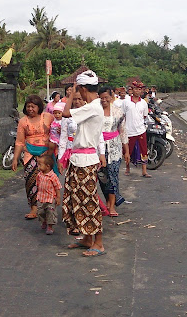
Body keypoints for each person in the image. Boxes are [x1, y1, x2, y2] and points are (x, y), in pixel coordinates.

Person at [61, 70, 106, 257]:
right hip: (79, 159)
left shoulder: (93, 107)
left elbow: (65, 113)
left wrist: (70, 95)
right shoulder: (94, 106)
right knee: (77, 199)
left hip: (85, 161)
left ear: (82, 88)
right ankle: (87, 238)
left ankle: (99, 243)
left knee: (88, 201)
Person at [12, 94, 54, 219]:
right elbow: (19, 142)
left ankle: (49, 208)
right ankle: (34, 208)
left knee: (48, 182)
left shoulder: (47, 117)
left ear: (39, 107)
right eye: (28, 106)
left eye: (33, 106)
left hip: (47, 154)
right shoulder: (23, 121)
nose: (30, 109)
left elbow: (57, 130)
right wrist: (15, 159)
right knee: (31, 181)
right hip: (30, 154)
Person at [98, 87, 127, 216]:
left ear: (111, 97)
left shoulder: (118, 112)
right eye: (101, 97)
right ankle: (108, 202)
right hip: (99, 148)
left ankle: (112, 205)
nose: (104, 100)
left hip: (115, 148)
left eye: (106, 97)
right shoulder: (95, 111)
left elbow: (123, 131)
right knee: (103, 177)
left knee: (113, 175)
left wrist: (126, 151)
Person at [123, 81, 151, 177]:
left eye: (139, 89)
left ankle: (144, 171)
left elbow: (144, 116)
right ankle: (127, 168)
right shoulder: (126, 102)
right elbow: (122, 115)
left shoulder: (143, 103)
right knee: (128, 151)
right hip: (129, 130)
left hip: (140, 130)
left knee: (143, 150)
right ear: (132, 90)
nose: (137, 91)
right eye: (135, 89)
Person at [35, 154, 61, 235]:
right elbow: (38, 185)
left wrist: (58, 197)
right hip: (41, 198)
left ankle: (50, 226)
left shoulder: (53, 176)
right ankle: (44, 221)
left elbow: (57, 187)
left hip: (50, 199)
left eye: (40, 164)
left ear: (47, 166)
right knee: (40, 212)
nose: (38, 166)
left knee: (50, 212)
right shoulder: (39, 175)